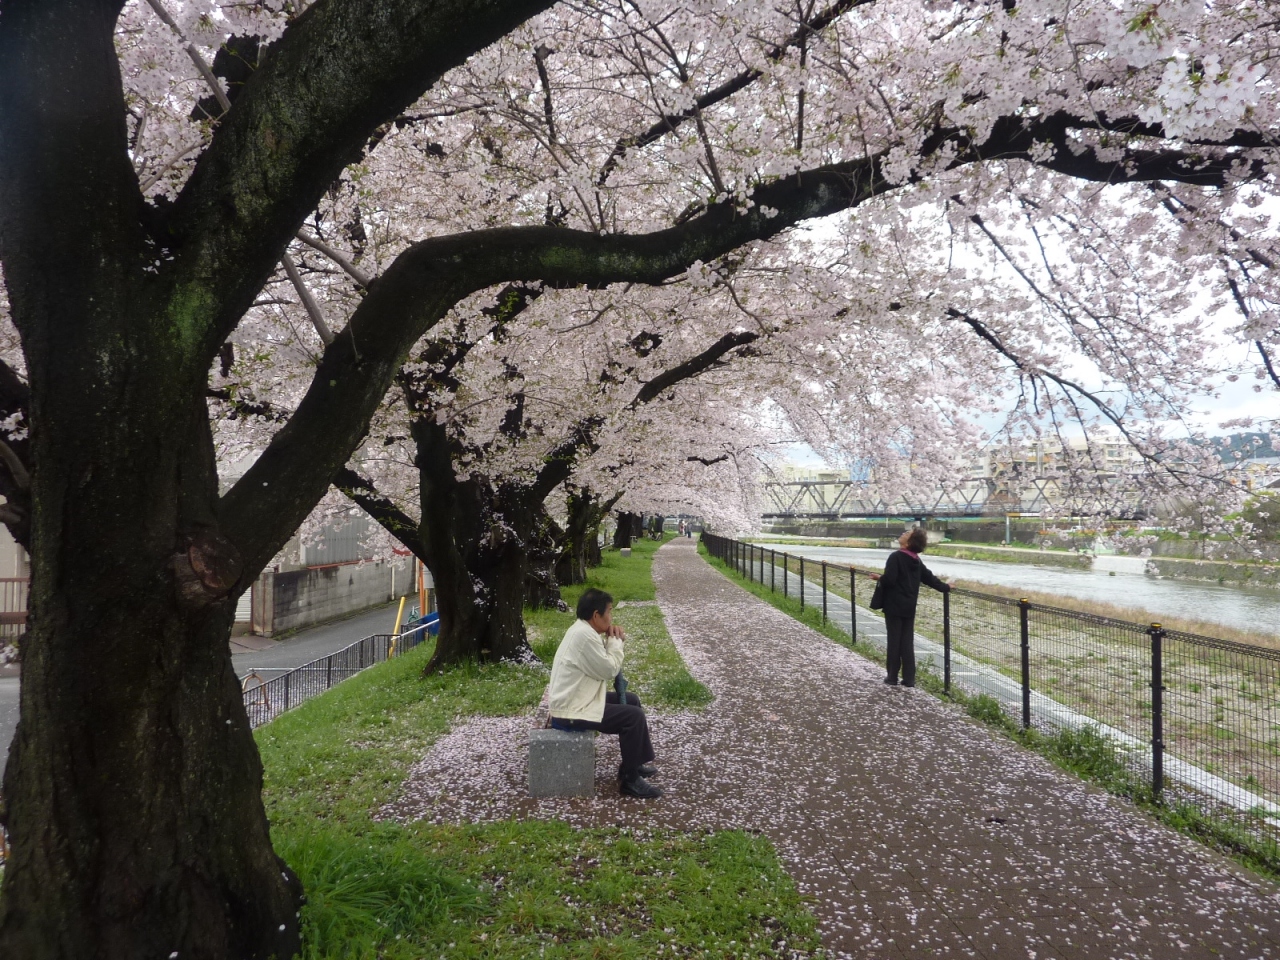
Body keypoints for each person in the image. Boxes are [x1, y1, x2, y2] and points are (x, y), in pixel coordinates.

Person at [547, 588, 661, 798]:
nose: (612, 618)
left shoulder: (583, 630)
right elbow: (609, 669)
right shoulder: (583, 636)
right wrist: (616, 642)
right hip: (571, 710)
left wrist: (610, 641)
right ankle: (630, 781)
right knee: (633, 717)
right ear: (596, 615)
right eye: (609, 611)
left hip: (577, 700)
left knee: (632, 700)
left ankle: (632, 766)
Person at [871, 528, 950, 687]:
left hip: (893, 605)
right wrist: (946, 587)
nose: (903, 533)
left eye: (907, 533)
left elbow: (890, 580)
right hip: (909, 606)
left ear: (909, 542)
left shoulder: (895, 557)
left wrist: (880, 578)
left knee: (894, 640)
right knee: (907, 641)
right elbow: (930, 579)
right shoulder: (916, 560)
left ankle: (892, 676)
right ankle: (909, 678)